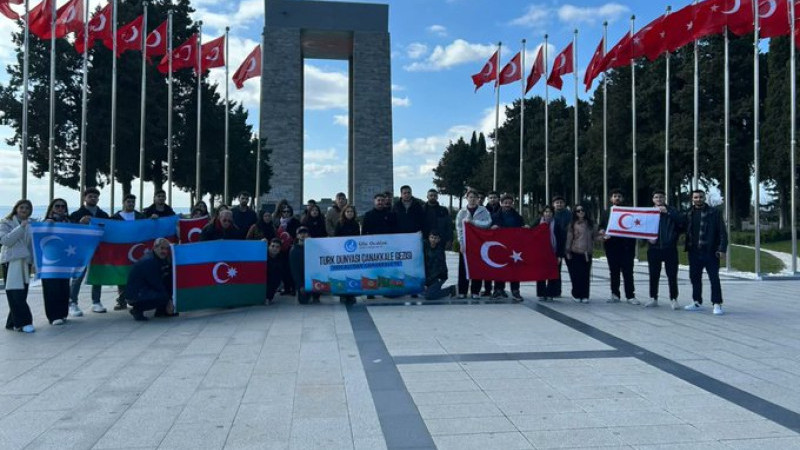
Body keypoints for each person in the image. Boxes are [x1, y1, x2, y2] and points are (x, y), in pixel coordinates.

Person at [684, 190, 728, 315]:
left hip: (711, 252)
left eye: (700, 197)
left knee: (714, 278)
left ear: (704, 198)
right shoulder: (689, 213)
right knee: (695, 277)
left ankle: (717, 303)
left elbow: (722, 233)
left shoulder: (714, 212)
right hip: (694, 252)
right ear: (692, 199)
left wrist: (722, 249)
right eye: (696, 197)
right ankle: (697, 301)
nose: (698, 199)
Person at [68, 187, 110, 316]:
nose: (93, 198)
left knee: (97, 275)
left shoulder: (103, 215)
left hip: (98, 249)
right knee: (78, 276)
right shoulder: (76, 215)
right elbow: (70, 232)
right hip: (81, 250)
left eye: (95, 196)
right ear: (84, 198)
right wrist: (80, 224)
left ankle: (96, 301)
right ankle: (72, 302)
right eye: (90, 196)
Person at [646, 189, 685, 310]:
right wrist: (647, 239)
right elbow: (640, 227)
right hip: (654, 248)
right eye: (656, 197)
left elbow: (682, 223)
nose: (659, 199)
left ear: (665, 199)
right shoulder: (647, 212)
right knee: (654, 274)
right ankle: (653, 297)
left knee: (672, 275)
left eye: (661, 197)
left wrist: (668, 212)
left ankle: (674, 298)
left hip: (670, 248)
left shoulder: (672, 211)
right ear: (653, 199)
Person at [599, 189, 639, 305]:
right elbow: (602, 226)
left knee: (628, 272)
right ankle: (615, 294)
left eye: (619, 196)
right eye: (614, 196)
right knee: (614, 272)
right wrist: (602, 231)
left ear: (623, 199)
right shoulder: (606, 212)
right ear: (611, 199)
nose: (617, 198)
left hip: (627, 247)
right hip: (611, 246)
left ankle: (630, 296)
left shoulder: (629, 212)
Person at [1, 200, 35, 333]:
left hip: (25, 262)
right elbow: (6, 240)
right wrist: (21, 228)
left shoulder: (32, 224)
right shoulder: (6, 223)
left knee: (22, 293)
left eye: (27, 208)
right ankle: (24, 321)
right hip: (11, 261)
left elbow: (33, 244)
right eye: (22, 207)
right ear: (16, 208)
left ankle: (12, 322)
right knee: (15, 293)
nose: (24, 210)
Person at [124, 238, 177, 321]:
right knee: (163, 296)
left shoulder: (159, 258)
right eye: (162, 248)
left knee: (168, 283)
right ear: (155, 248)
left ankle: (161, 311)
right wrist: (169, 300)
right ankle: (137, 310)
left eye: (166, 249)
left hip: (143, 289)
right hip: (136, 294)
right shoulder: (149, 261)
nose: (164, 251)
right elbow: (156, 283)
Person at [110, 194, 147, 311]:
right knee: (122, 276)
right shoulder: (115, 217)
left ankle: (136, 299)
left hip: (136, 251)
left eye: (133, 202)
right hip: (121, 251)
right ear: (123, 202)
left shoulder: (140, 216)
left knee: (137, 275)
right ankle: (121, 301)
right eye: (129, 202)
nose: (131, 204)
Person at [455, 190, 492, 299]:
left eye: (474, 197)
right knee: (463, 268)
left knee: (477, 267)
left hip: (479, 244)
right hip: (466, 245)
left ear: (478, 199)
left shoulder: (483, 211)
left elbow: (487, 223)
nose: (472, 199)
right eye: (470, 197)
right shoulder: (462, 212)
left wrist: (473, 223)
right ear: (467, 198)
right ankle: (462, 291)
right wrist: (461, 243)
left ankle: (475, 291)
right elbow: (459, 229)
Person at [40, 199, 72, 325]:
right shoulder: (46, 222)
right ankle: (53, 316)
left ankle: (63, 313)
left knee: (64, 288)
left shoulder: (69, 222)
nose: (60, 208)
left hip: (65, 260)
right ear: (51, 208)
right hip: (49, 261)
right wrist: (45, 226)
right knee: (51, 288)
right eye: (57, 206)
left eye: (63, 206)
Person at [490, 194, 526, 301]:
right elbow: (488, 231)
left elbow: (522, 229)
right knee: (499, 268)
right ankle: (498, 289)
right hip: (499, 247)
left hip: (514, 248)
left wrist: (526, 229)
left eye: (509, 203)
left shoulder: (518, 217)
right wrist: (492, 228)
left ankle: (515, 290)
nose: (507, 205)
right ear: (501, 203)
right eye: (505, 203)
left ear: (512, 204)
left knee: (514, 270)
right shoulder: (494, 216)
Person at [565, 206, 596, 303]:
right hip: (576, 252)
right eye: (578, 211)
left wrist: (604, 236)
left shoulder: (591, 224)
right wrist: (567, 251)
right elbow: (569, 238)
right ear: (575, 213)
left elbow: (595, 236)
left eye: (582, 210)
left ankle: (585, 295)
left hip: (587, 253)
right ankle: (576, 294)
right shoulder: (573, 224)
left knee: (586, 275)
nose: (581, 212)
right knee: (576, 275)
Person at [334, 205, 359, 304]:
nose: (349, 213)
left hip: (352, 253)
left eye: (351, 212)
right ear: (344, 213)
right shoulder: (339, 223)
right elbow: (336, 238)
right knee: (342, 275)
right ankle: (343, 295)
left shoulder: (356, 224)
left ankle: (352, 295)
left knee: (352, 274)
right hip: (342, 253)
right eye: (347, 211)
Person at [535, 205, 560, 302]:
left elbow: (561, 239)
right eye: (545, 212)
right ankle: (541, 293)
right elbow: (530, 232)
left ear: (553, 213)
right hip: (540, 252)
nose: (547, 214)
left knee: (552, 273)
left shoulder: (556, 223)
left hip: (553, 252)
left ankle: (551, 293)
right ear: (543, 213)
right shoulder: (538, 222)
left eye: (549, 212)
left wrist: (559, 254)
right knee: (541, 273)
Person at [423, 230, 456, 300]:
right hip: (429, 277)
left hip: (438, 277)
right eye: (431, 237)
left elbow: (440, 268)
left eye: (435, 238)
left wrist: (439, 278)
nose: (433, 240)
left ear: (438, 239)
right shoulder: (425, 248)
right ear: (429, 238)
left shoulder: (439, 251)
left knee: (428, 296)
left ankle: (450, 289)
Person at [290, 227, 319, 304]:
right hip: (302, 279)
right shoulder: (294, 250)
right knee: (303, 301)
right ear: (297, 236)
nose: (303, 235)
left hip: (314, 277)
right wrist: (300, 285)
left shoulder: (314, 248)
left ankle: (316, 294)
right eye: (300, 233)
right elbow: (294, 270)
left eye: (305, 233)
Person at [276, 203, 300, 295]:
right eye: (284, 211)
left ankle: (293, 289)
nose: (286, 213)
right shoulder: (280, 223)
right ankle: (286, 289)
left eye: (288, 211)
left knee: (292, 269)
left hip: (292, 249)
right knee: (284, 269)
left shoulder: (295, 222)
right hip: (282, 250)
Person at [551, 195, 571, 297]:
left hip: (569, 246)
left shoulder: (570, 214)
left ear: (564, 204)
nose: (559, 204)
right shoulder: (550, 215)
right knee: (556, 270)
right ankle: (556, 291)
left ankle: (577, 292)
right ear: (553, 204)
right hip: (556, 247)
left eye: (561, 202)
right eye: (557, 202)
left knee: (572, 269)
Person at [266, 238, 284, 304]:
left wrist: (268, 297)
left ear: (280, 249)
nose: (274, 248)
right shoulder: (261, 255)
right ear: (268, 247)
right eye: (272, 246)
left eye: (277, 247)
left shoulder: (281, 260)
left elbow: (276, 281)